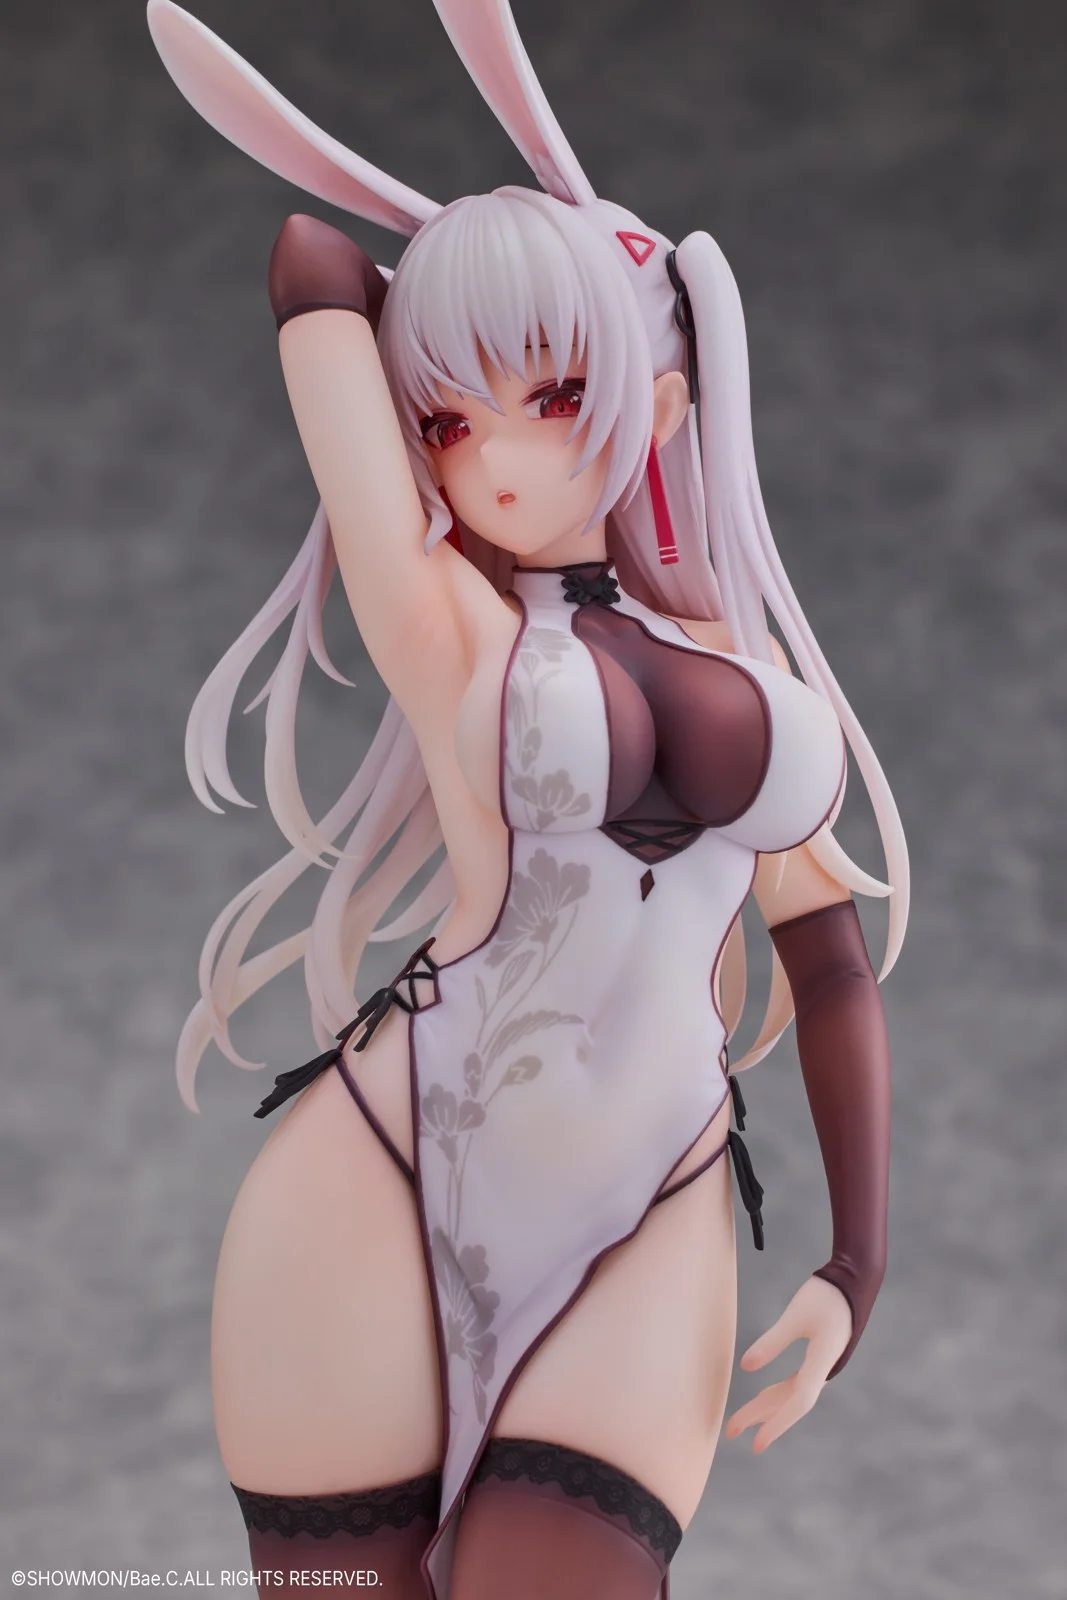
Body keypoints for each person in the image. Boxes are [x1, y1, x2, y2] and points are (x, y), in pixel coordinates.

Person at [147, 3, 909, 1597]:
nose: (490, 457)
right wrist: (478, 278)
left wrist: (855, 1258)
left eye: (552, 393)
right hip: (386, 1167)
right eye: (446, 418)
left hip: (655, 1202)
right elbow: (307, 257)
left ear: (661, 395)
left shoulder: (751, 663)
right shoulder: (447, 622)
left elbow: (829, 960)